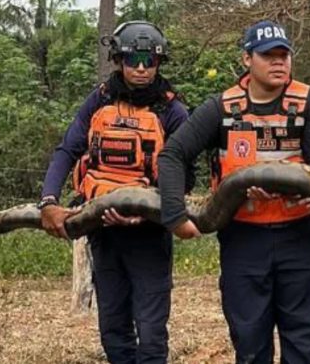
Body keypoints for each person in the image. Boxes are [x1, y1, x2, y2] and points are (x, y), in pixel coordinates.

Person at [157, 20, 310, 363]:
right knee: (250, 345)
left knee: (305, 346)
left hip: (302, 238)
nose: (278, 62)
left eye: (284, 55)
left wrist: (292, 187)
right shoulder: (221, 107)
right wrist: (175, 216)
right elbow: (173, 155)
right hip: (243, 240)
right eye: (268, 55)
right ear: (246, 59)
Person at [38, 21, 194, 363]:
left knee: (151, 334)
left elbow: (184, 178)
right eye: (133, 60)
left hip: (149, 235)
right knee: (112, 329)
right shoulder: (99, 100)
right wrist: (48, 201)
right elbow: (67, 149)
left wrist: (147, 214)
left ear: (159, 62)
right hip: (102, 230)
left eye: (149, 61)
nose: (141, 68)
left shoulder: (173, 111)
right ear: (119, 60)